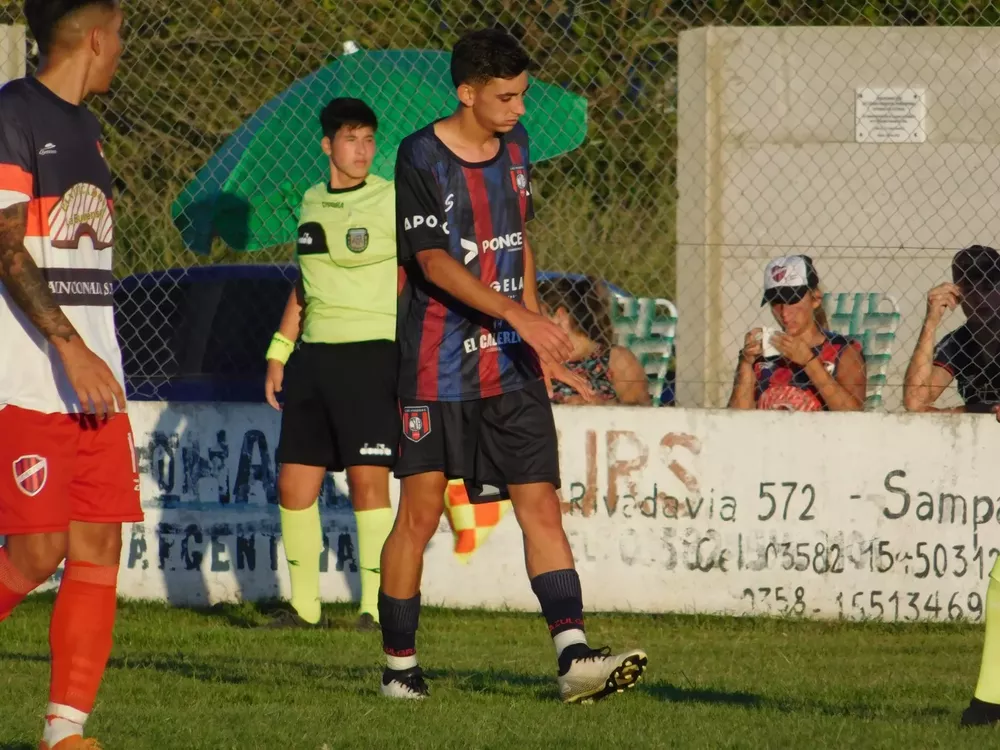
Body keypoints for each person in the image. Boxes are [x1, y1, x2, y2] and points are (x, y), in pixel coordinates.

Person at [378, 27, 646, 703]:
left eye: (522, 94)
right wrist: (517, 315)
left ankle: (573, 660)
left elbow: (517, 238)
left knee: (542, 505)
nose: (518, 108)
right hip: (436, 368)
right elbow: (432, 262)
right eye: (505, 96)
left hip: (509, 364)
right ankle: (399, 668)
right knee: (419, 514)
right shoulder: (419, 156)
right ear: (465, 93)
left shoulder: (518, 148)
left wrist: (535, 340)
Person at [0, 2, 140, 748]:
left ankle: (65, 732)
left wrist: (93, 354)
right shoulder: (12, 113)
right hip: (28, 379)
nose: (122, 49)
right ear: (94, 38)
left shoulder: (89, 129)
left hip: (94, 385)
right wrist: (66, 345)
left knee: (99, 546)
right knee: (37, 551)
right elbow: (5, 247)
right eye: (119, 35)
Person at [263, 98, 397, 632]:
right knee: (294, 485)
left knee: (369, 485)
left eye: (368, 140)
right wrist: (279, 350)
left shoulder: (391, 198)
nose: (362, 150)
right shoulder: (311, 199)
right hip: (313, 358)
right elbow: (306, 282)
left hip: (372, 354)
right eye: (350, 139)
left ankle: (375, 606)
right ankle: (304, 607)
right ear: (327, 145)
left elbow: (422, 269)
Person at [728, 255, 867, 412]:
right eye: (776, 302)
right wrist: (746, 364)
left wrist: (809, 362)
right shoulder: (764, 354)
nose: (784, 313)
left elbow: (854, 415)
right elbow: (735, 421)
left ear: (815, 299)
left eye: (792, 301)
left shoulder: (842, 350)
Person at [903, 245, 1000, 414]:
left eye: (988, 288)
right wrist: (931, 322)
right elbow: (915, 402)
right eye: (970, 290)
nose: (979, 298)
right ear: (957, 295)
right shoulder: (958, 343)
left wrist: (958, 412)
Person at [538, 275, 650, 405]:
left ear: (560, 316)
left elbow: (641, 415)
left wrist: (598, 407)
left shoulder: (617, 360)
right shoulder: (532, 361)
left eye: (536, 317)